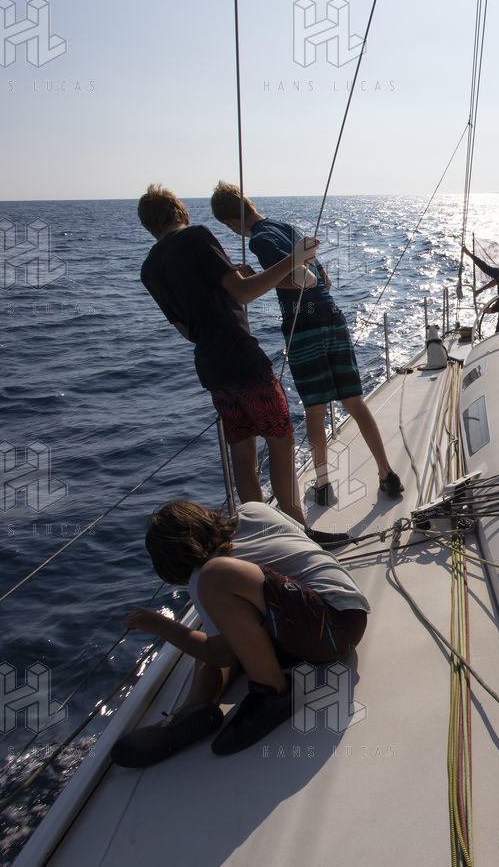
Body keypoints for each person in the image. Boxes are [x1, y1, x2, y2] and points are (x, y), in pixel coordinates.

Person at [114, 499, 370, 763]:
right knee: (222, 627)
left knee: (214, 588)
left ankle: (273, 693)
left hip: (333, 630)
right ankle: (194, 710)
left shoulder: (208, 574)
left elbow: (220, 656)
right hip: (345, 613)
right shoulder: (253, 510)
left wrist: (160, 625)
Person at [209, 182, 403, 504]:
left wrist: (250, 280)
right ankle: (387, 474)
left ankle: (324, 486)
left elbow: (302, 279)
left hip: (303, 326)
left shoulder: (259, 240)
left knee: (314, 410)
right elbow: (323, 279)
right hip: (332, 317)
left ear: (230, 223)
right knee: (354, 402)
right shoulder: (287, 228)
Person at [138, 184, 315, 529]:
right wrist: (294, 259)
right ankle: (300, 530)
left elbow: (187, 331)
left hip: (211, 369)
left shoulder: (149, 269)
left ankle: (262, 531)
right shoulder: (196, 236)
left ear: (149, 226)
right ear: (180, 212)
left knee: (242, 451)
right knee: (281, 440)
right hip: (243, 359)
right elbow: (244, 293)